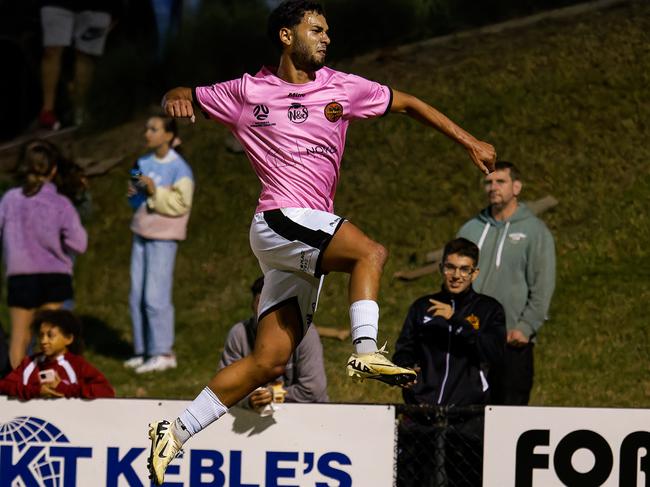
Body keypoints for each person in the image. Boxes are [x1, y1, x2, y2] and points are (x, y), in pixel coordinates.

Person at [148, 2, 496, 483]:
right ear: (287, 36)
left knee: (269, 359)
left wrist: (470, 141)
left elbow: (409, 103)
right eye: (317, 29)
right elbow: (183, 93)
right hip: (280, 218)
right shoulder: (248, 91)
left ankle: (174, 430)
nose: (327, 37)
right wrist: (175, 97)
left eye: (329, 31)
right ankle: (366, 349)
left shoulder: (342, 87)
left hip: (299, 237)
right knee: (370, 253)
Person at [393, 238, 505, 486]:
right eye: (450, 267)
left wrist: (456, 321)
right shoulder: (422, 307)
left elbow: (495, 352)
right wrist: (405, 369)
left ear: (474, 273)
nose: (456, 275)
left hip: (466, 420)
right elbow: (403, 350)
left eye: (464, 269)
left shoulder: (489, 309)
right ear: (441, 268)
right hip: (420, 417)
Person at [456, 161, 556, 405]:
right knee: (466, 419)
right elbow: (454, 279)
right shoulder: (470, 229)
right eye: (488, 182)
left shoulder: (534, 231)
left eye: (500, 181)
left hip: (511, 342)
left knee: (509, 417)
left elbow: (543, 284)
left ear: (517, 187)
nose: (493, 187)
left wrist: (526, 326)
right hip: (470, 340)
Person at [0, 140, 88, 369]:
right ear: (54, 169)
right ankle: (47, 388)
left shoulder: (9, 200)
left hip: (20, 275)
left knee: (19, 337)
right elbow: (79, 243)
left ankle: (18, 387)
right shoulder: (60, 203)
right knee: (51, 337)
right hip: (54, 275)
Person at [125, 114, 194, 374]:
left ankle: (163, 352)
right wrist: (134, 193)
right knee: (137, 296)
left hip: (163, 238)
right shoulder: (142, 162)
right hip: (141, 231)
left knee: (156, 296)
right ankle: (143, 351)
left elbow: (181, 203)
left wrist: (156, 191)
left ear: (168, 135)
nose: (148, 133)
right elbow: (134, 197)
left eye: (153, 129)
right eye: (147, 128)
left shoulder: (180, 168)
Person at [219, 276, 328, 411]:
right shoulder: (240, 335)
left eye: (272, 302)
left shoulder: (305, 334)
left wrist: (273, 394)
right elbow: (226, 388)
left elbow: (313, 390)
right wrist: (249, 400)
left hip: (307, 415)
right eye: (260, 301)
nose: (265, 308)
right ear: (252, 304)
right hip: (253, 419)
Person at [0, 309, 115, 399]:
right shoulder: (29, 363)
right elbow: (4, 386)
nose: (44, 341)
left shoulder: (78, 365)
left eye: (50, 335)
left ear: (68, 339)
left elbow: (106, 391)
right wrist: (36, 391)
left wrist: (63, 388)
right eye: (41, 335)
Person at [38, 1, 116, 129]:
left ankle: (80, 111)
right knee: (52, 49)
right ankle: (47, 111)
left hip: (98, 7)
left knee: (86, 55)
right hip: (57, 4)